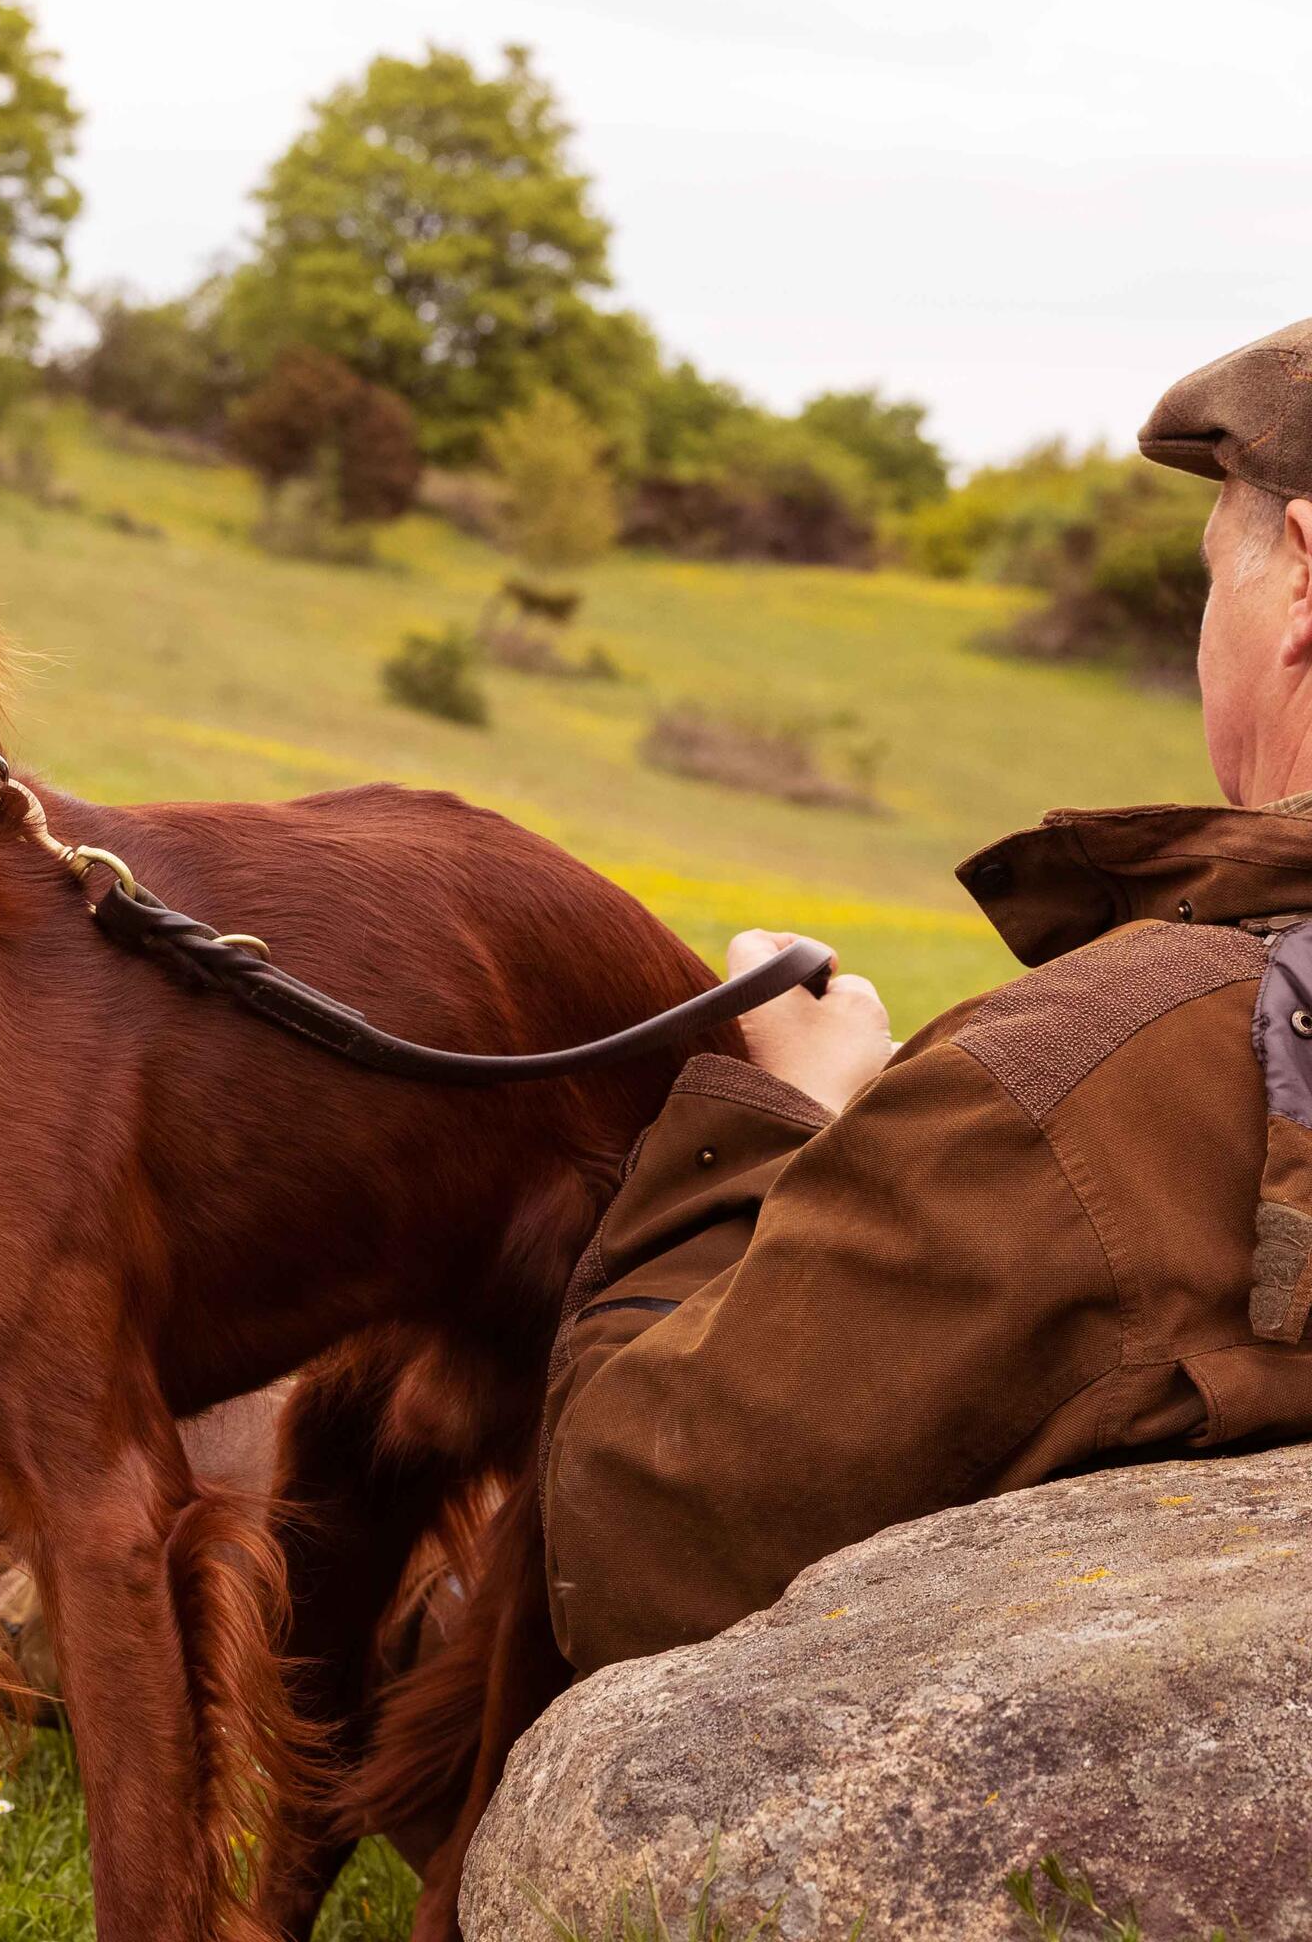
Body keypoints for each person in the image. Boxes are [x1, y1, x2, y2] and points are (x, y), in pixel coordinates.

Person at [542, 317, 1312, 1676]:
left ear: (1305, 580)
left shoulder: (1075, 1085)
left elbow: (630, 1545)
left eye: (1214, 581)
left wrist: (772, 1113)